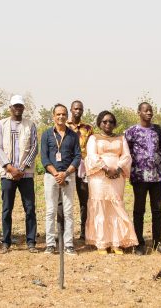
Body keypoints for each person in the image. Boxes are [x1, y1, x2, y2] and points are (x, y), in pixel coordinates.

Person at [85, 111, 138, 254]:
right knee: (100, 206)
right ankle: (101, 243)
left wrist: (118, 169)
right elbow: (92, 156)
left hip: (117, 177)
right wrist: (106, 168)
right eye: (104, 121)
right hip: (99, 177)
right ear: (99, 123)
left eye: (111, 121)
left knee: (116, 206)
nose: (108, 124)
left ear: (115, 124)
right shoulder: (93, 138)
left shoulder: (121, 138)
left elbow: (127, 156)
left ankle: (116, 242)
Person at [0, 95, 39, 253]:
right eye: (15, 106)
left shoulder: (30, 125)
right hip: (8, 174)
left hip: (26, 174)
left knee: (30, 208)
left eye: (20, 106)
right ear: (10, 108)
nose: (18, 108)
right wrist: (10, 167)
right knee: (7, 209)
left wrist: (22, 168)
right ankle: (6, 241)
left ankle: (31, 241)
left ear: (23, 108)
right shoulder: (1, 124)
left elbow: (34, 148)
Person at [124, 102, 161, 255]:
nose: (149, 113)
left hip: (157, 177)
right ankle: (139, 243)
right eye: (146, 111)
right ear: (139, 113)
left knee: (157, 210)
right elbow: (125, 152)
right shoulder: (131, 131)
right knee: (139, 210)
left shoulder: (158, 130)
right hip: (139, 177)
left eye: (151, 111)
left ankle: (158, 242)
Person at [39, 104, 81, 255]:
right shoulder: (46, 135)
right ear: (53, 116)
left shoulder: (73, 135)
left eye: (63, 114)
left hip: (68, 176)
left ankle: (69, 244)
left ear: (67, 116)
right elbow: (44, 158)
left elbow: (77, 157)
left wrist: (66, 173)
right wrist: (57, 174)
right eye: (58, 114)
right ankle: (50, 244)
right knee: (51, 211)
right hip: (51, 177)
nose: (61, 117)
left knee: (69, 211)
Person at [67, 100, 94, 241]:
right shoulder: (63, 126)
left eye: (80, 109)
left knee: (84, 201)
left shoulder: (88, 128)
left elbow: (91, 148)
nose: (78, 111)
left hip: (83, 169)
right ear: (71, 110)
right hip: (67, 168)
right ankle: (66, 232)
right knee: (66, 201)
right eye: (75, 108)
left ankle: (84, 231)